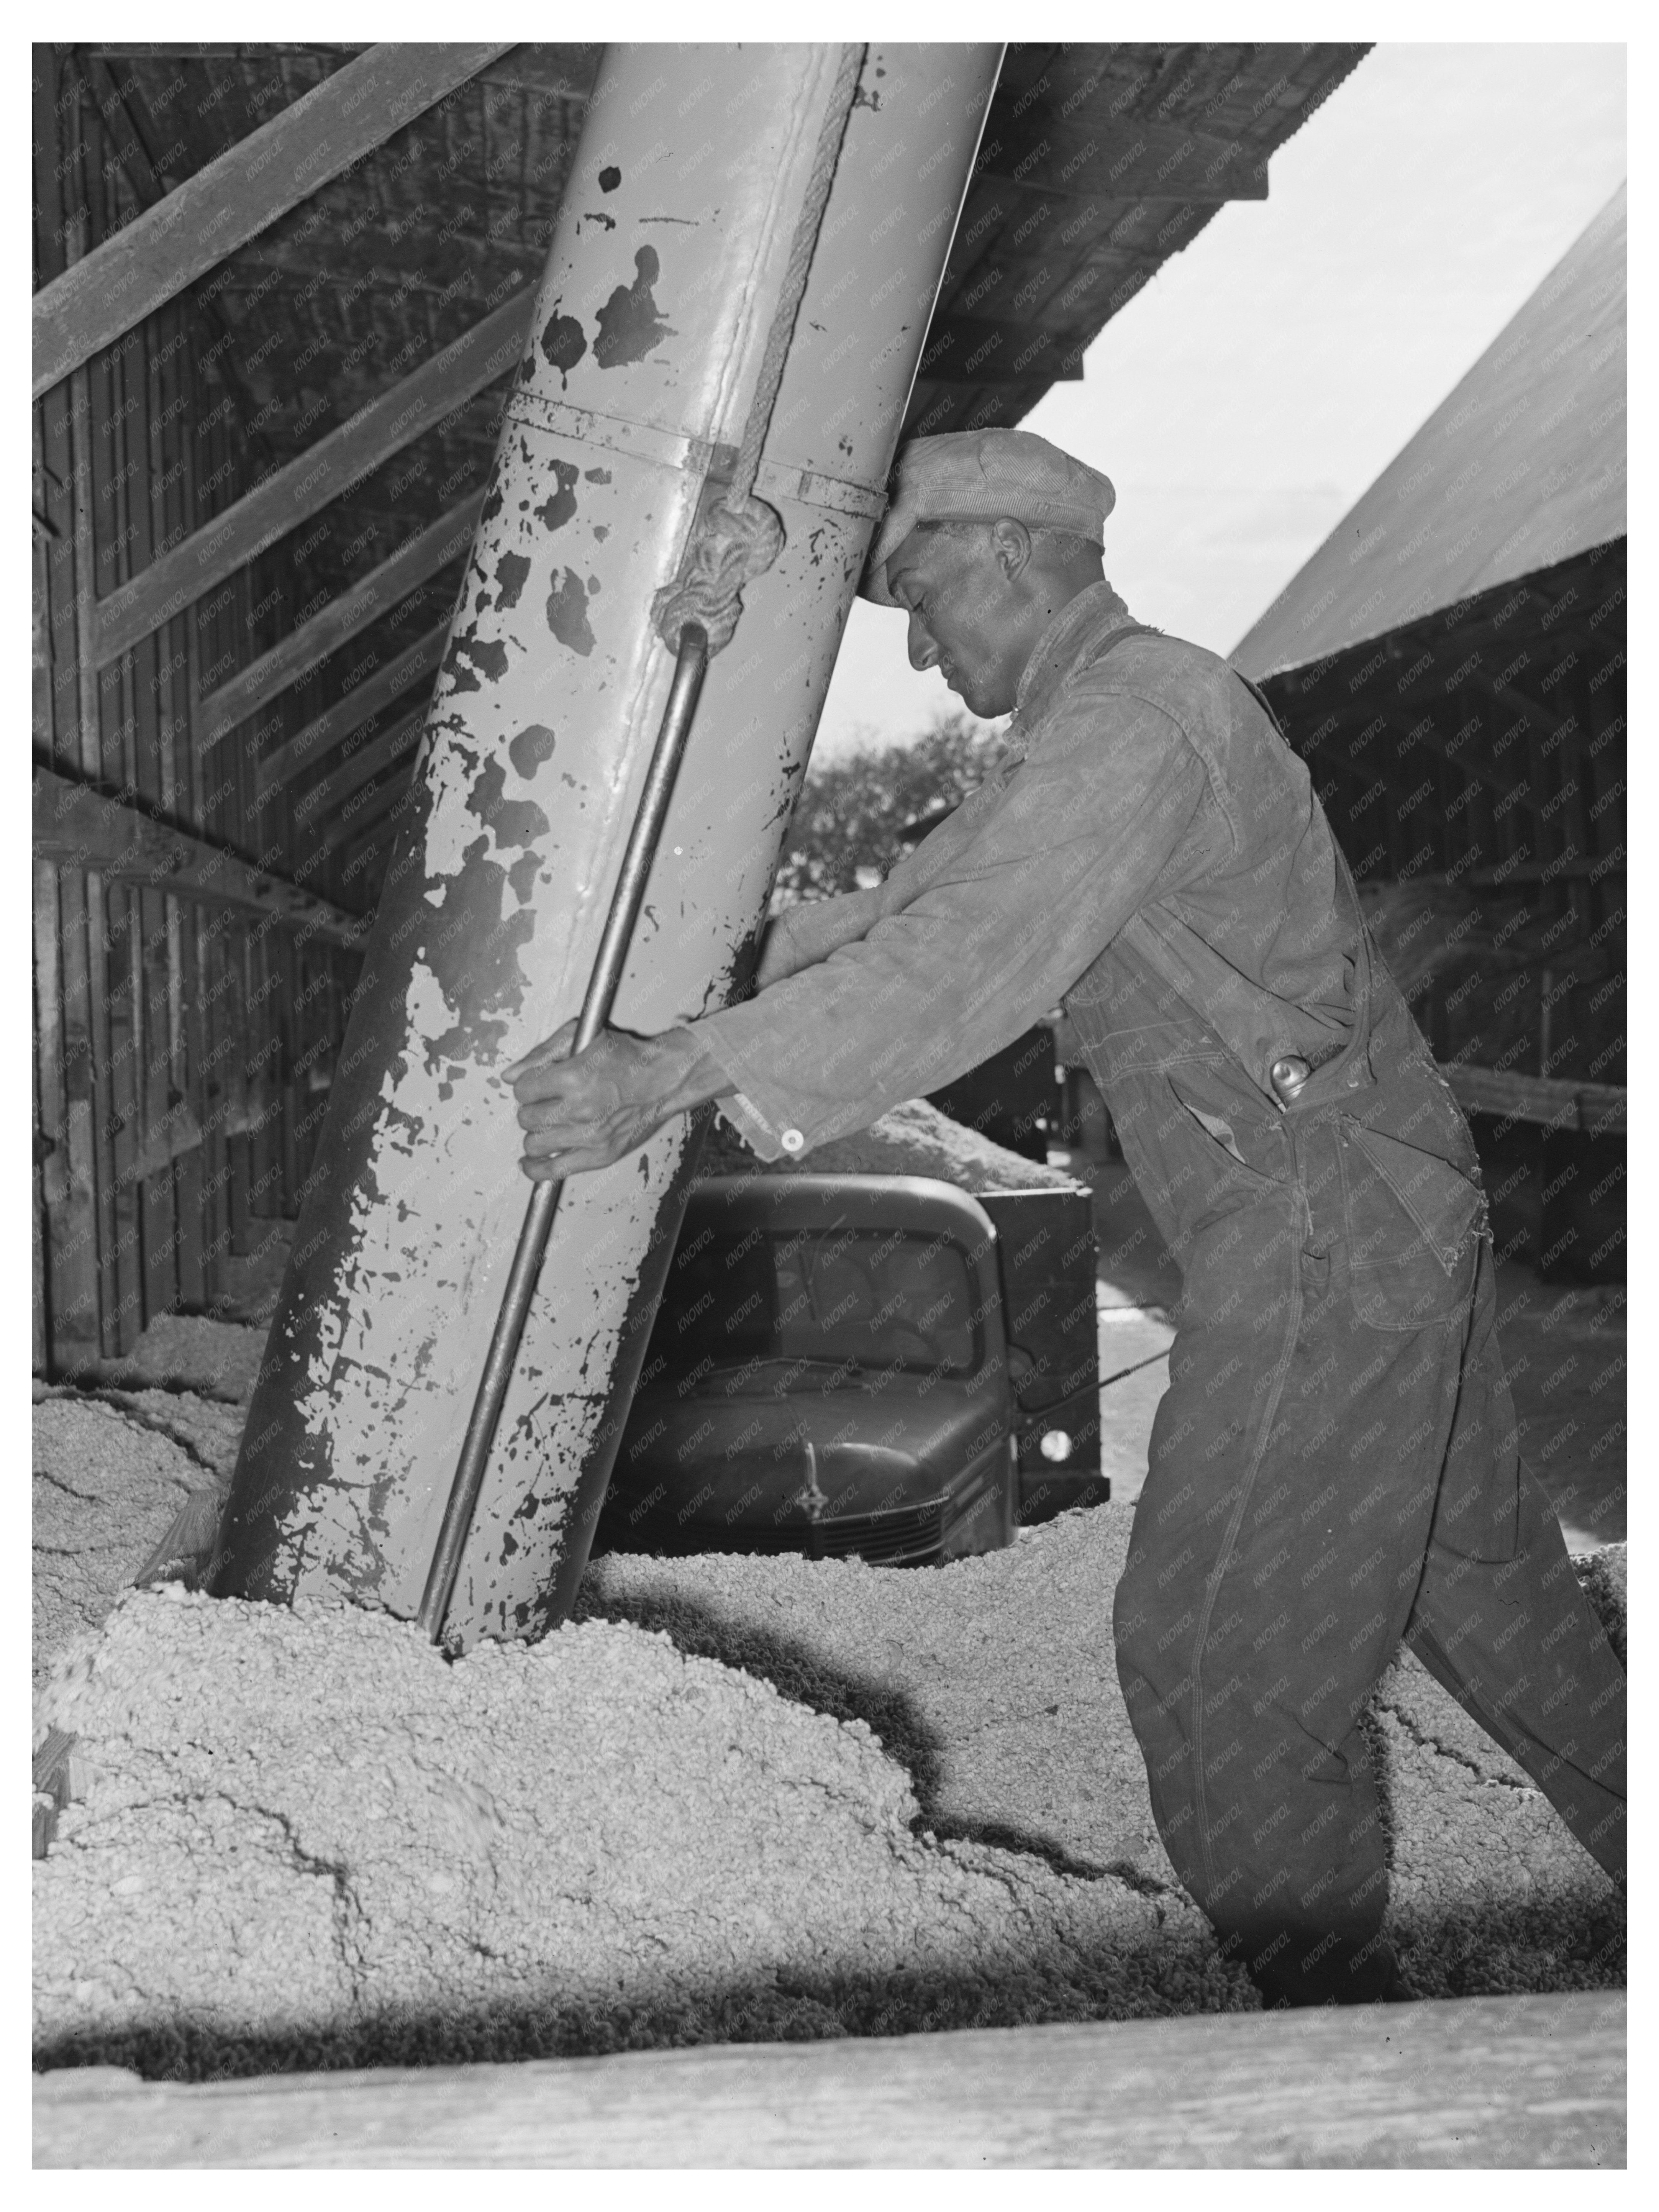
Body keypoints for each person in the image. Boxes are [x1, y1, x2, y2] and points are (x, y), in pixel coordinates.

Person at [504, 428, 1626, 2007]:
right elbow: (905, 907)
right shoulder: (1087, 735)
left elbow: (975, 947)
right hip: (1371, 1220)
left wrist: (678, 1072)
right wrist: (687, 978)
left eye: (924, 593)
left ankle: (1337, 2059)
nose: (915, 636)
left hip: (1315, 1233)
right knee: (1507, 1617)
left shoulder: (1138, 723)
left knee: (1221, 1655)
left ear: (1014, 558)